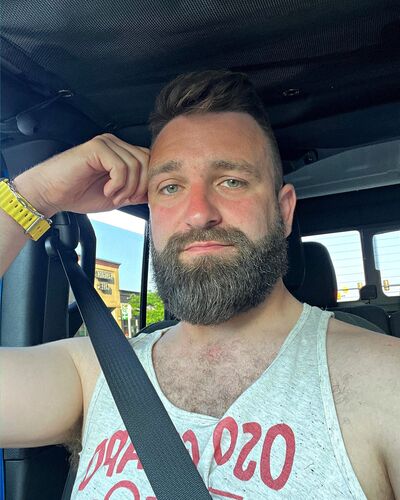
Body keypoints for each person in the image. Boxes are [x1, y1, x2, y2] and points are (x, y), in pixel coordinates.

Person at [0, 70, 399, 499]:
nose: (198, 213)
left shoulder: (384, 378)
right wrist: (36, 195)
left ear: (284, 212)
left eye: (231, 181)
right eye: (170, 187)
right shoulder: (96, 371)